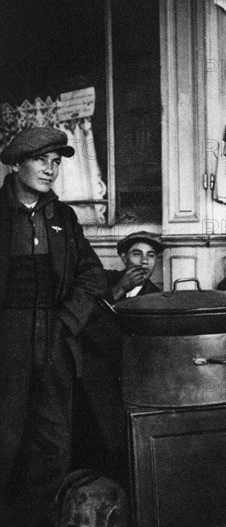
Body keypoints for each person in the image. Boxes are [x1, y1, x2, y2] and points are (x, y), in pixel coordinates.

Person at [0, 127, 106, 527]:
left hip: (53, 340)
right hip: (5, 341)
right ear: (16, 163)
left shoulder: (63, 217)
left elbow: (92, 275)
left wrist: (66, 321)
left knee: (53, 444)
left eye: (56, 162)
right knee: (6, 439)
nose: (51, 169)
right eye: (41, 160)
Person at [77, 232, 164, 483]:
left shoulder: (156, 297)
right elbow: (82, 319)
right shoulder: (102, 281)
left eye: (151, 256)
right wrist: (118, 290)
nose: (144, 262)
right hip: (91, 369)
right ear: (123, 257)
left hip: (129, 376)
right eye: (137, 254)